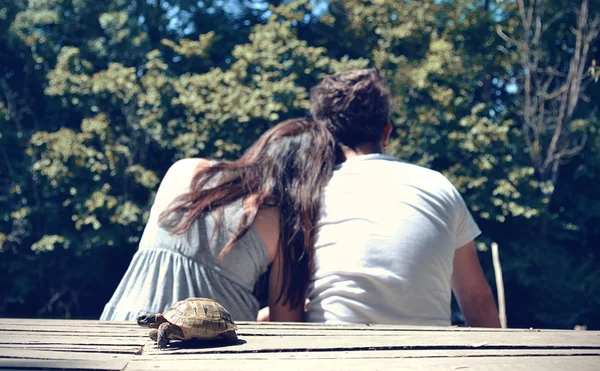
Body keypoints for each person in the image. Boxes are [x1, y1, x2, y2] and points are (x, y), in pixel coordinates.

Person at [305, 68, 501, 327]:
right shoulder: (438, 186)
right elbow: (477, 301)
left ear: (322, 136)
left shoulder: (310, 193)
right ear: (386, 134)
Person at [100, 118, 336, 322]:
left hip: (122, 327)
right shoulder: (284, 226)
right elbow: (287, 327)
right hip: (205, 356)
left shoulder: (184, 170)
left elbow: (181, 289)